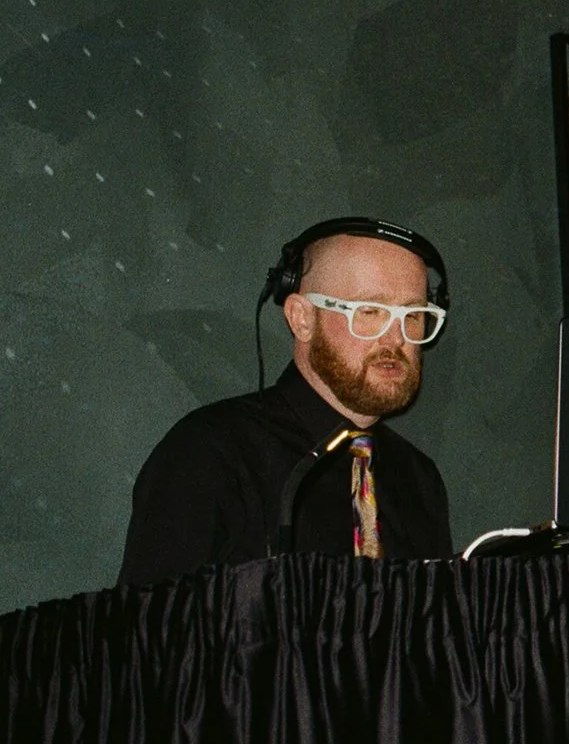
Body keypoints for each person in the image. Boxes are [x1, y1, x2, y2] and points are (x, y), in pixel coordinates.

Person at [117, 218, 454, 586]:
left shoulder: (418, 480)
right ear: (302, 318)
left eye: (414, 315)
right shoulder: (210, 452)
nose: (396, 337)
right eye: (370, 311)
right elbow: (147, 630)